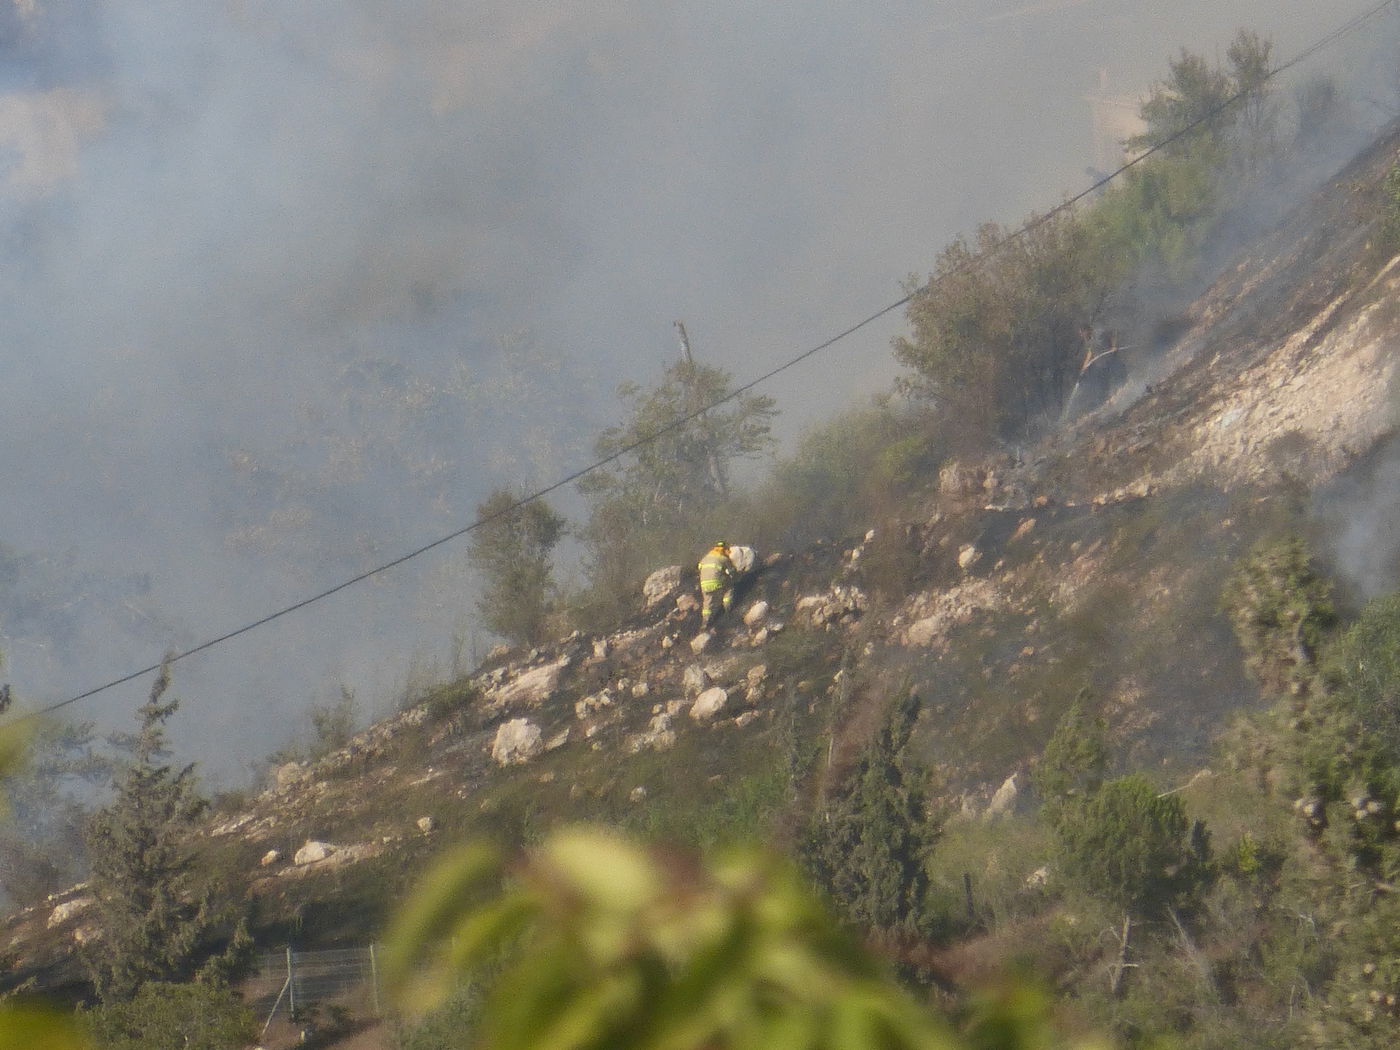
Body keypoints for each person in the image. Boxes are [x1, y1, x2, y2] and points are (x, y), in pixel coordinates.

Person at [698, 540, 737, 629]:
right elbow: (732, 572)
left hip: (704, 584)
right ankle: (728, 609)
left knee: (707, 602)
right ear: (724, 549)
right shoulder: (723, 558)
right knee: (729, 588)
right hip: (716, 583)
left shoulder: (705, 558)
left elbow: (699, 568)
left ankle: (705, 622)